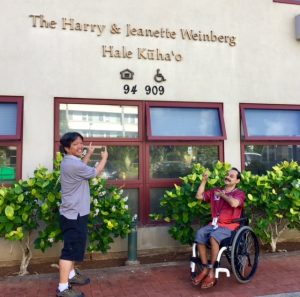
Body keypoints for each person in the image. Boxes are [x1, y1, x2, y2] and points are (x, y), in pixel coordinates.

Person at [57, 132, 108, 297]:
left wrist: (89, 154)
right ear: (66, 147)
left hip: (74, 212)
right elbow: (94, 172)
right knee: (70, 250)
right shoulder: (72, 164)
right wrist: (104, 158)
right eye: (75, 144)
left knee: (73, 246)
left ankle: (71, 275)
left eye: (81, 143)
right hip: (74, 214)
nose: (80, 146)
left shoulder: (71, 162)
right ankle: (63, 288)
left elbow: (83, 171)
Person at [192, 167, 245, 289]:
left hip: (229, 226)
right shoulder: (216, 191)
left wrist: (223, 195)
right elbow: (199, 196)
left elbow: (234, 203)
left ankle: (212, 273)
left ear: (237, 181)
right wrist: (204, 181)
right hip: (214, 224)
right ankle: (205, 269)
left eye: (232, 176)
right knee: (200, 234)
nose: (228, 177)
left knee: (214, 237)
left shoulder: (239, 193)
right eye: (227, 175)